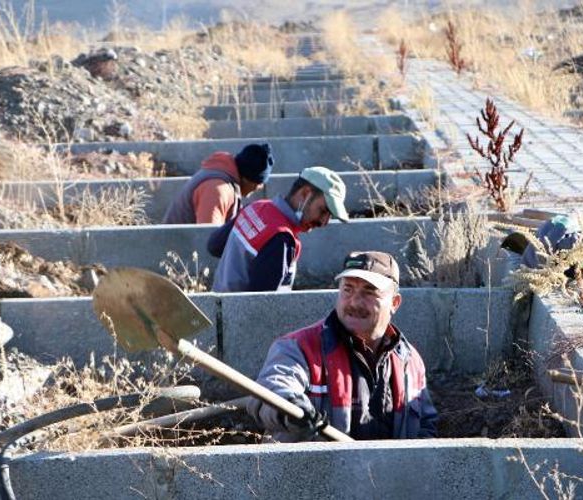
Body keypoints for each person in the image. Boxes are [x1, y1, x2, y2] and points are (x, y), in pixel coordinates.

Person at [247, 251, 438, 442]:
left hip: (387, 472)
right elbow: (271, 390)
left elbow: (425, 425)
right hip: (314, 471)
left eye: (369, 292)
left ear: (395, 303)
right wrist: (292, 410)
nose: (355, 302)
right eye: (348, 289)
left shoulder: (410, 361)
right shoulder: (299, 348)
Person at [208, 166, 348, 292]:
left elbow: (214, 246)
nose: (324, 222)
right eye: (323, 211)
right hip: (238, 318)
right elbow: (262, 305)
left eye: (330, 216)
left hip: (220, 309)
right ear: (305, 193)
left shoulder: (255, 208)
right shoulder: (281, 239)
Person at [162, 143, 273, 225]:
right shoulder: (217, 190)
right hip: (176, 254)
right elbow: (206, 239)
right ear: (247, 180)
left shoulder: (224, 179)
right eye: (258, 184)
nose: (259, 188)